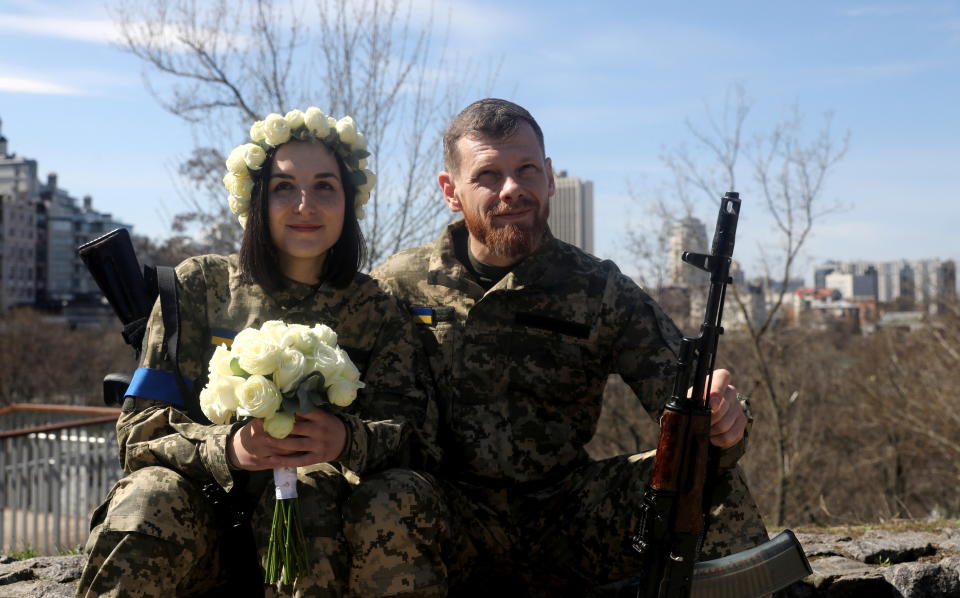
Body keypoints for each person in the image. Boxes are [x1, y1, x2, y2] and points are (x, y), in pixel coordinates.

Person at [347, 98, 769, 596]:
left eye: (526, 170)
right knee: (384, 498)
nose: (512, 190)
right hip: (447, 515)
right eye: (488, 175)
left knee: (699, 479)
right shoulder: (396, 288)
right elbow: (359, 423)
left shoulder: (599, 287)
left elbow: (683, 395)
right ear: (451, 191)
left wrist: (721, 420)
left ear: (548, 177)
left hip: (568, 518)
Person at [76, 108, 438, 598]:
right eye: (284, 187)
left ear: (349, 202)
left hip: (324, 538)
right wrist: (227, 448)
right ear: (256, 199)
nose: (305, 205)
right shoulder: (198, 287)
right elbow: (138, 433)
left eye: (325, 187)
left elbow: (417, 437)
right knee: (146, 498)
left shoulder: (376, 310)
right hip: (205, 525)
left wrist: (344, 439)